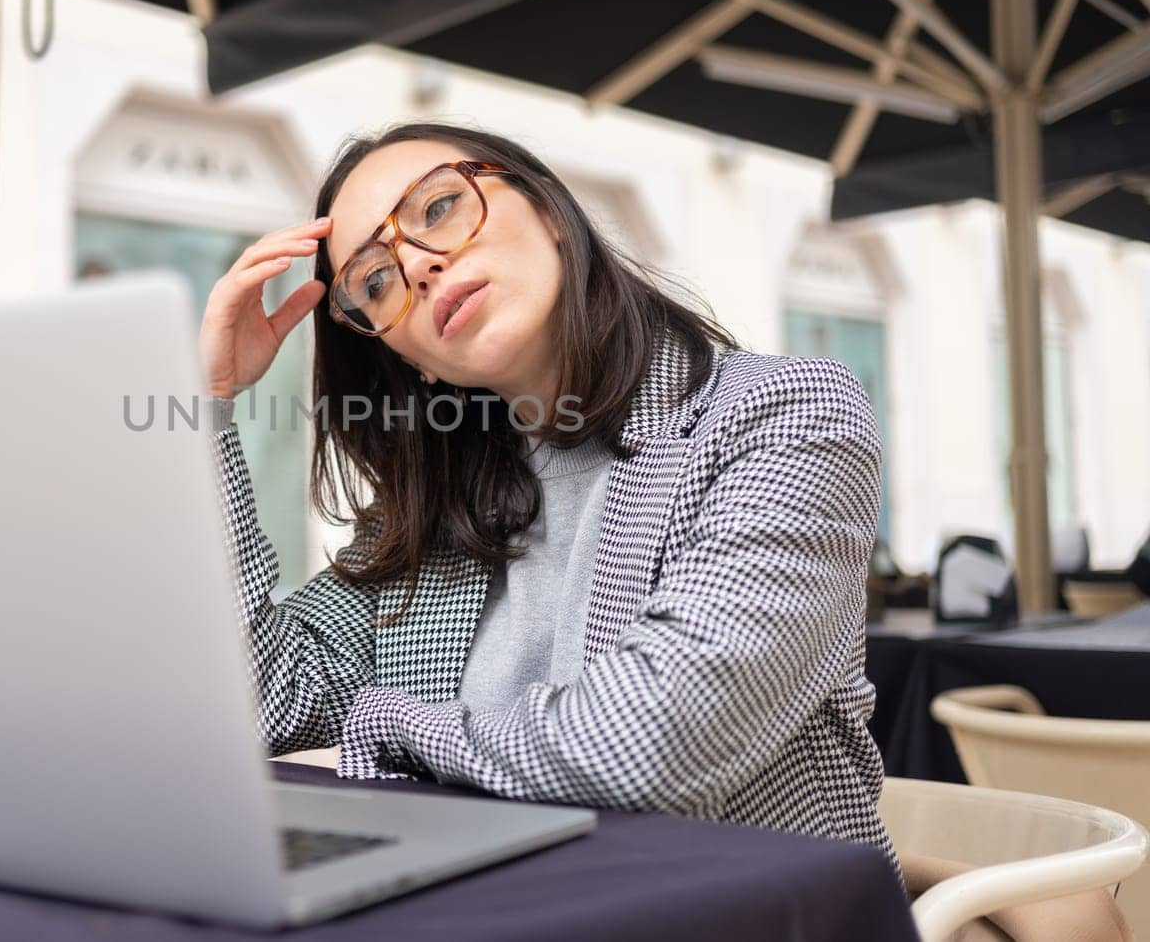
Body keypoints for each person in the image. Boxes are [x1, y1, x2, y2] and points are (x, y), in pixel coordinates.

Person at [197, 122, 894, 862]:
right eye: (375, 281)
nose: (421, 267)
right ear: (408, 359)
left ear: (551, 212)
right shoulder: (437, 518)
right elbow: (269, 700)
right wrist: (209, 403)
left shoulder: (783, 414)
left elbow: (649, 744)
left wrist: (384, 727)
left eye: (436, 210)